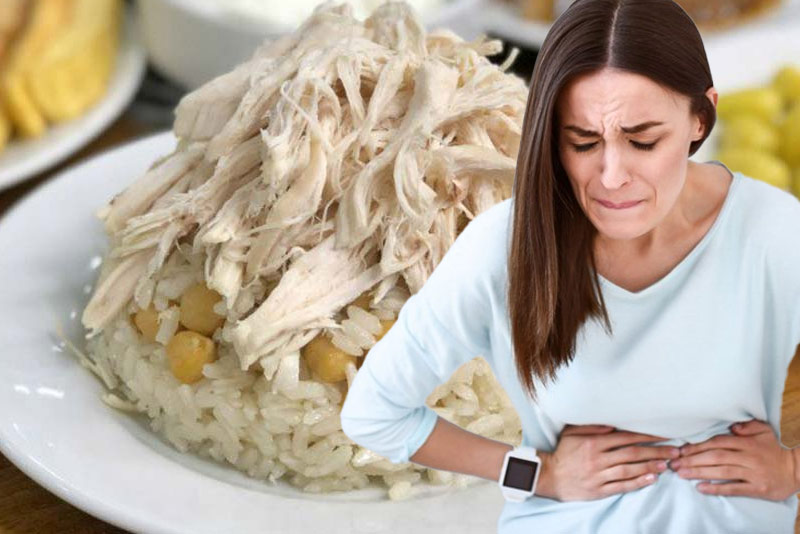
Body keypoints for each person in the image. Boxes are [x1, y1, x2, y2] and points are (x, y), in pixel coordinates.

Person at [340, 0, 800, 531]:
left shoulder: (770, 230)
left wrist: (790, 469)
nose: (611, 176)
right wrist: (538, 472)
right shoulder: (503, 245)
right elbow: (373, 412)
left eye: (644, 141)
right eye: (582, 142)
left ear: (701, 117)